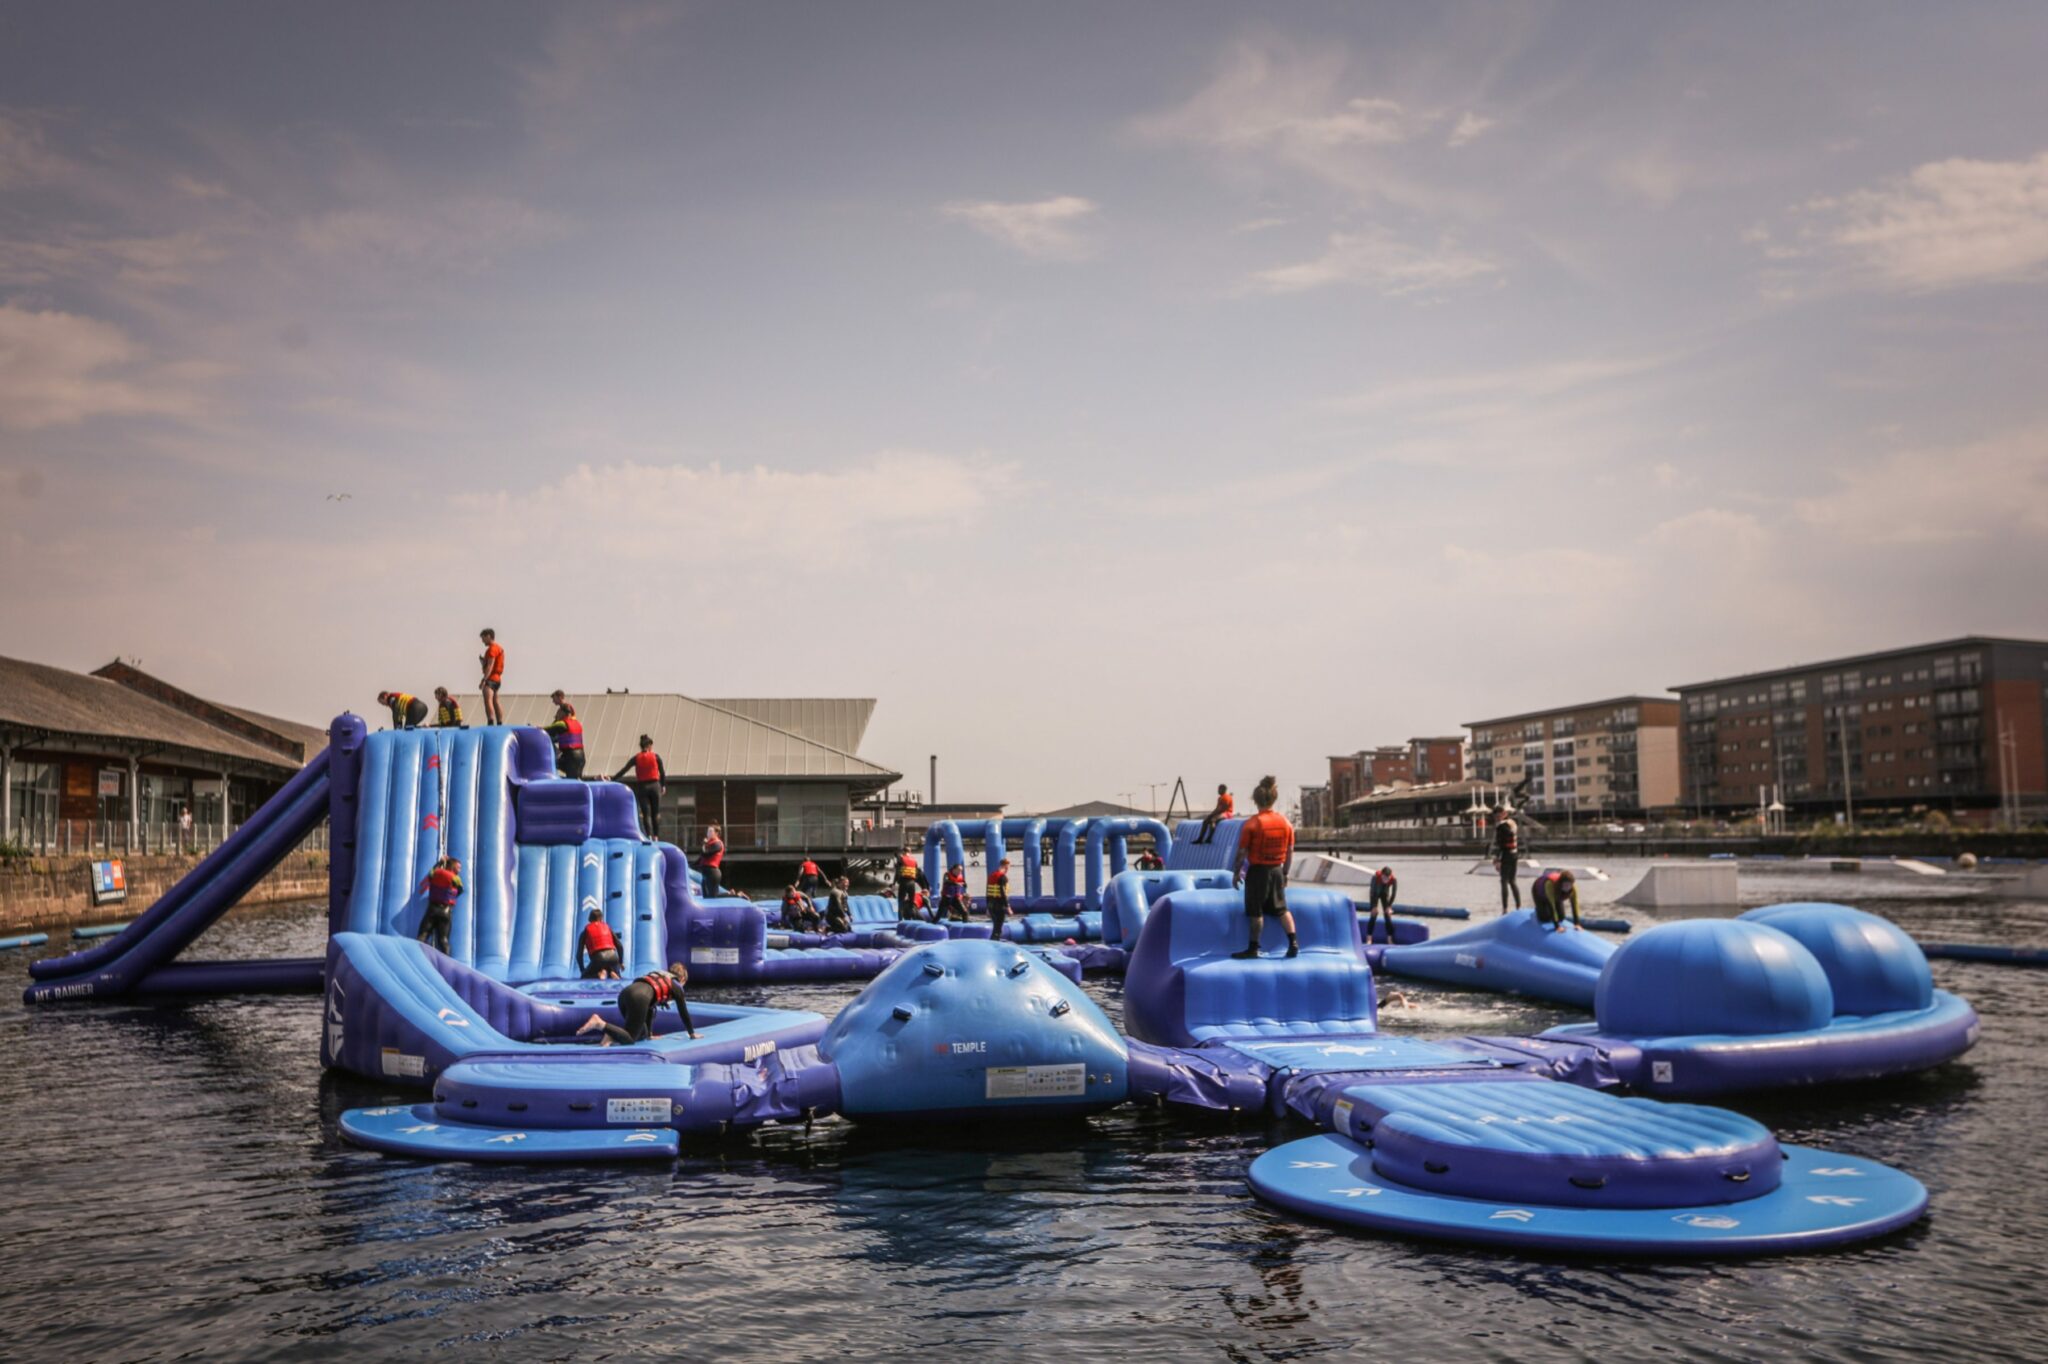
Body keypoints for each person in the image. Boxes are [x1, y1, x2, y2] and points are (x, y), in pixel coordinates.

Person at [1230, 776, 1298, 959]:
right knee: (1282, 909)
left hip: (1258, 871)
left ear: (1255, 801)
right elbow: (1290, 851)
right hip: (1277, 868)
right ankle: (1293, 942)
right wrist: (1285, 873)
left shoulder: (1252, 824)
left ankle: (1253, 947)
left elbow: (1242, 853)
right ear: (1274, 799)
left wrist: (1236, 873)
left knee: (1256, 911)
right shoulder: (1286, 823)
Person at [577, 963, 698, 1045]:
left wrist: (650, 1034)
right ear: (682, 979)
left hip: (625, 995)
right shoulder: (676, 985)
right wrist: (692, 1033)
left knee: (642, 1033)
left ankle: (611, 1035)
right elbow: (683, 1012)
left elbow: (651, 1008)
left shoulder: (658, 974)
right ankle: (600, 1023)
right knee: (630, 1039)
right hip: (638, 999)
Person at [611, 735, 665, 839]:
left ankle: (649, 835)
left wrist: (613, 779)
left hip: (642, 787)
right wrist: (663, 785)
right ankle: (656, 836)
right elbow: (662, 773)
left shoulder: (636, 758)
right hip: (655, 785)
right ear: (649, 746)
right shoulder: (656, 756)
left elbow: (624, 770)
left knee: (646, 813)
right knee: (655, 813)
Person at [418, 855, 462, 954]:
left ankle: (419, 957)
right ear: (452, 866)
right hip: (446, 911)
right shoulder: (455, 878)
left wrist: (440, 863)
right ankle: (446, 962)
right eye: (458, 867)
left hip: (432, 909)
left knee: (423, 935)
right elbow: (460, 890)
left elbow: (430, 875)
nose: (459, 870)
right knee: (443, 939)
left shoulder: (436, 872)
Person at [547, 691, 585, 780]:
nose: (553, 701)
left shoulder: (567, 707)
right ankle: (557, 756)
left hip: (565, 734)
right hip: (578, 753)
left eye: (554, 698)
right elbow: (555, 723)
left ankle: (557, 755)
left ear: (559, 697)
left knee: (549, 739)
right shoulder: (560, 710)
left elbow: (568, 719)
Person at [1491, 805, 1522, 912]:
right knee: (1512, 881)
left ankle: (1505, 909)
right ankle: (1518, 907)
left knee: (1504, 881)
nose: (1498, 818)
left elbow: (1502, 844)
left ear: (1504, 814)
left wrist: (1498, 859)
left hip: (1506, 855)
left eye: (1499, 816)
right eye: (1496, 817)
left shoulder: (1501, 827)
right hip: (1514, 855)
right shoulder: (1512, 823)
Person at [578, 907, 622, 979]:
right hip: (613, 956)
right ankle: (612, 972)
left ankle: (599, 975)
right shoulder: (608, 928)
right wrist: (621, 962)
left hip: (599, 958)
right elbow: (619, 946)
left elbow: (579, 955)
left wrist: (582, 970)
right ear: (601, 919)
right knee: (615, 974)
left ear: (589, 919)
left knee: (585, 976)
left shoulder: (585, 932)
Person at [478, 628, 505, 725]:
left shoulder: (492, 649)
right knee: (495, 700)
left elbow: (490, 665)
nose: (482, 641)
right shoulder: (499, 648)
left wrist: (484, 680)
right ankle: (500, 722)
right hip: (497, 679)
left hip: (491, 678)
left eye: (483, 638)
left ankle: (490, 721)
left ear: (489, 636)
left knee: (488, 700)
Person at [1366, 865, 1398, 943]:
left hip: (1384, 893)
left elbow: (1393, 894)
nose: (1385, 880)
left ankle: (1389, 938)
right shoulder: (1375, 877)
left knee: (1387, 915)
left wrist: (1389, 906)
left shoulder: (1394, 880)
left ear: (1390, 877)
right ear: (1381, 875)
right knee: (1374, 914)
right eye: (1384, 878)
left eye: (1387, 878)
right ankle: (1369, 937)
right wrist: (1373, 906)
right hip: (1375, 894)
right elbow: (1372, 892)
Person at [896, 851, 929, 920]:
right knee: (911, 902)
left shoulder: (901, 860)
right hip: (912, 883)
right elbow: (918, 873)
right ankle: (912, 919)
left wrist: (895, 883)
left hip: (904, 883)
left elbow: (898, 873)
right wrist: (925, 887)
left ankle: (900, 921)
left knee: (900, 902)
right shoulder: (914, 861)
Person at [985, 857, 1012, 939]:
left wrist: (987, 908)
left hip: (990, 904)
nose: (1008, 870)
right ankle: (995, 945)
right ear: (1006, 867)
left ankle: (993, 943)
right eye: (1008, 867)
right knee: (998, 929)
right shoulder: (1003, 877)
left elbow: (987, 892)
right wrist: (1008, 906)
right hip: (999, 905)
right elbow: (1002, 893)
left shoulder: (991, 875)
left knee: (995, 927)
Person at [699, 824, 726, 898]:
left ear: (716, 833)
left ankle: (735, 895)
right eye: (708, 831)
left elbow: (705, 854)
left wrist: (704, 844)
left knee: (712, 897)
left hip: (712, 873)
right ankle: (732, 894)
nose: (708, 833)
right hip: (705, 873)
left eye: (710, 831)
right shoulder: (709, 844)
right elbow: (701, 859)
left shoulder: (718, 844)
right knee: (705, 896)